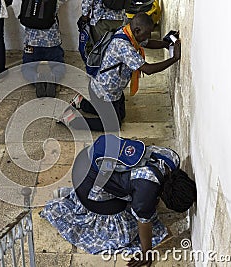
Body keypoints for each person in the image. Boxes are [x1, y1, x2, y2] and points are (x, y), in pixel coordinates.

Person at [41, 134, 197, 266]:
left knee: (138, 203)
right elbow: (144, 222)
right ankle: (78, 199)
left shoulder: (171, 158)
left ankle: (72, 195)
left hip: (88, 157)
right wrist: (146, 253)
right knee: (124, 233)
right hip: (87, 181)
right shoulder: (146, 189)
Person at [58, 12, 181, 131]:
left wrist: (166, 44)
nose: (148, 36)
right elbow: (148, 69)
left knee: (121, 115)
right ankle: (72, 120)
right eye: (147, 33)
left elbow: (147, 43)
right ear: (137, 30)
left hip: (113, 91)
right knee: (113, 125)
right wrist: (174, 58)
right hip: (103, 92)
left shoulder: (128, 32)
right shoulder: (124, 46)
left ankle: (82, 103)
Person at [20, 0, 66, 98]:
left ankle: (35, 78)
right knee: (58, 64)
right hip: (51, 40)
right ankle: (53, 77)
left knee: (27, 67)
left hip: (31, 42)